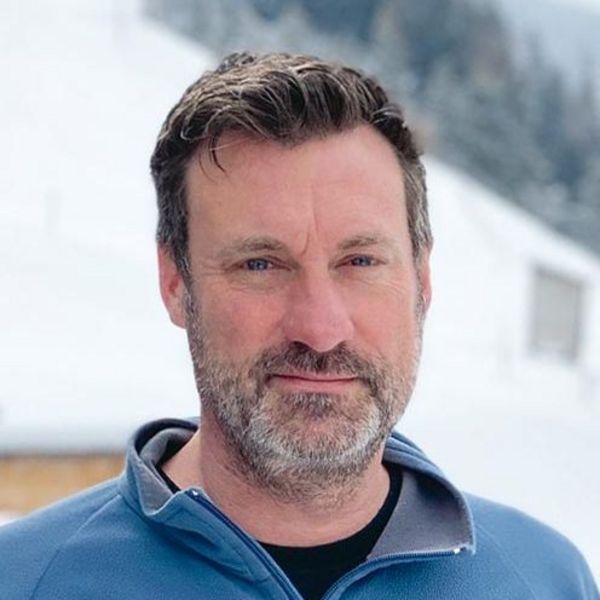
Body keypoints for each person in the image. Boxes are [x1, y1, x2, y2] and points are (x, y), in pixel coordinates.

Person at [0, 52, 597, 600]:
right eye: (260, 264)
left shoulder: (545, 579)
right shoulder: (24, 581)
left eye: (360, 261)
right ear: (175, 281)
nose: (320, 328)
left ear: (422, 280)